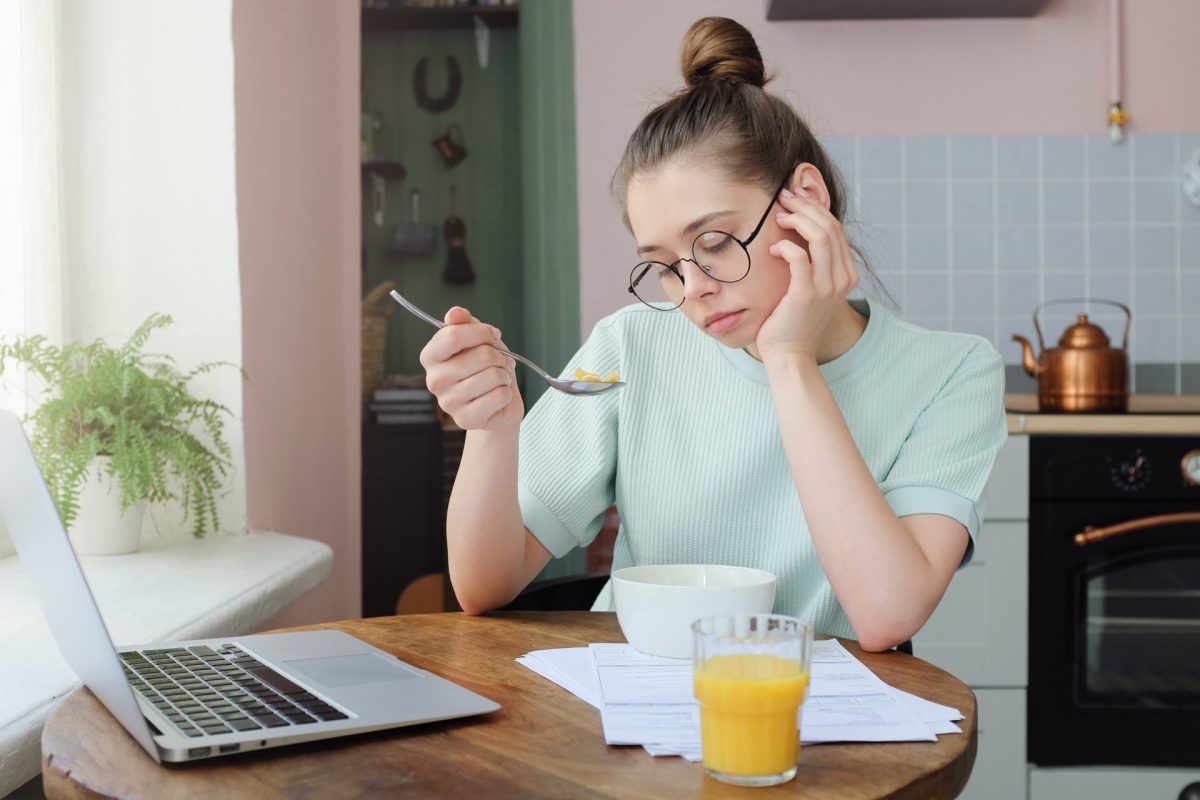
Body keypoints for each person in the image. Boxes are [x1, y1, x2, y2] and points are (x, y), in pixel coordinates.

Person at [419, 16, 1007, 652]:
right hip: (627, 722)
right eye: (664, 265)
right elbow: (483, 585)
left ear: (806, 200)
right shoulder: (632, 345)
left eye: (716, 243)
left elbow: (887, 613)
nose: (692, 286)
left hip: (817, 734)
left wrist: (789, 359)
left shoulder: (953, 373)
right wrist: (492, 429)